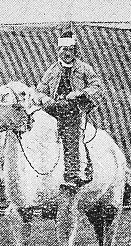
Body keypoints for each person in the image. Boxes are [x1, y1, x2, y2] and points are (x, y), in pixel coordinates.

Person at [35, 30, 103, 191]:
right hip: (53, 110)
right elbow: (39, 90)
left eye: (70, 50)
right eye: (64, 50)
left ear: (75, 51)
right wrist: (44, 98)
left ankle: (72, 175)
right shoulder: (52, 70)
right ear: (58, 51)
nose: (67, 54)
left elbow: (97, 87)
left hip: (73, 111)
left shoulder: (84, 68)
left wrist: (81, 93)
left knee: (71, 137)